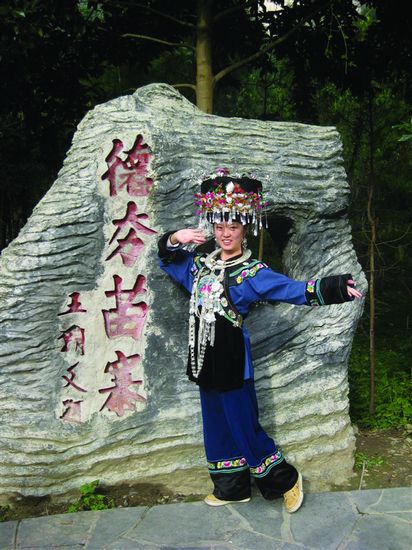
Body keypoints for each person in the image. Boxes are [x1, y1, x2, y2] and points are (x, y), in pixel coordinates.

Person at [157, 169, 362, 513]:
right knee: (216, 426)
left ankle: (286, 480)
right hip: (203, 359)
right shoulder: (200, 267)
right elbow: (167, 259)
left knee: (243, 426)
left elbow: (294, 290)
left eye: (233, 227)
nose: (225, 233)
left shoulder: (252, 273)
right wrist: (176, 237)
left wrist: (336, 287)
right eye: (219, 226)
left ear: (245, 229)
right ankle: (231, 487)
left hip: (233, 361)